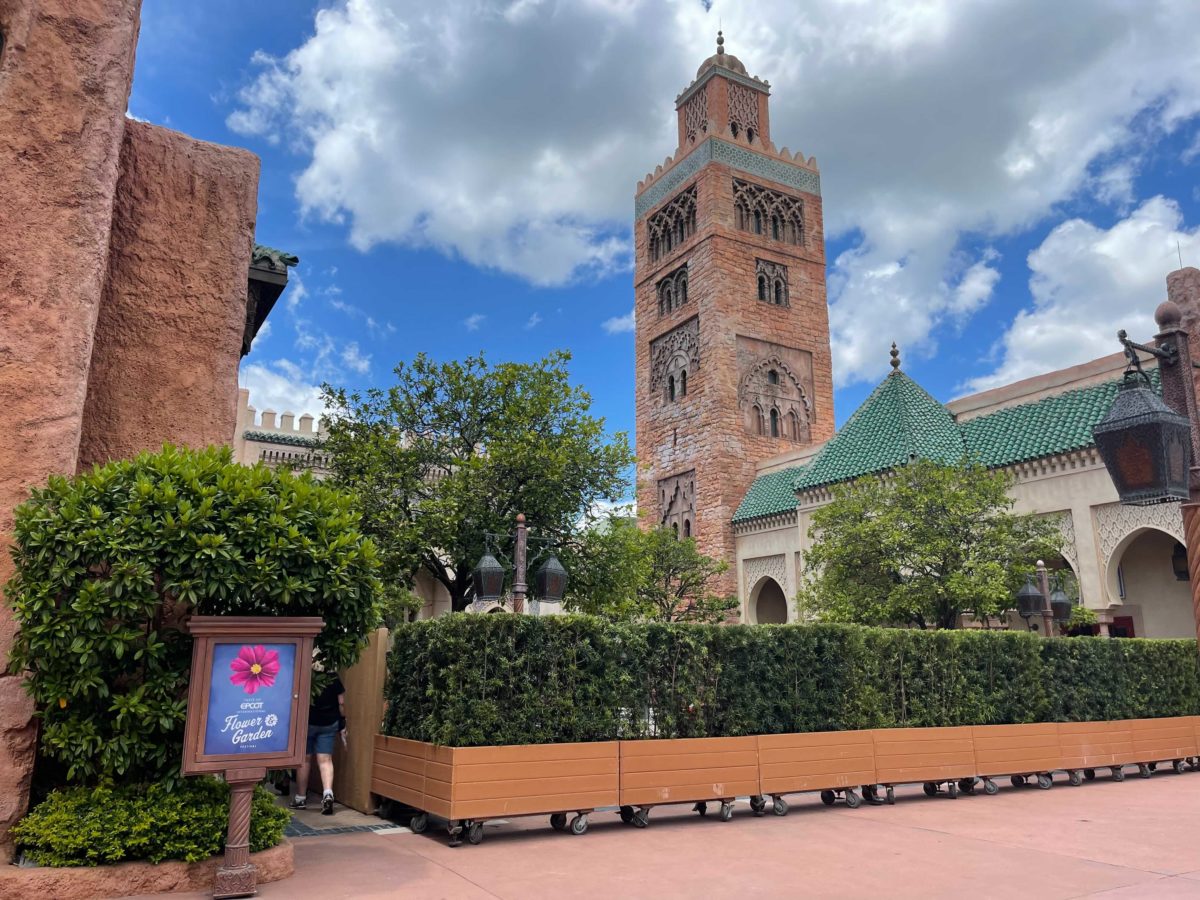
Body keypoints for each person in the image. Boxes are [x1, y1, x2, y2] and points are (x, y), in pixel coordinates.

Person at [290, 673, 346, 815]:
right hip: (329, 723)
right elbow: (341, 702)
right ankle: (328, 794)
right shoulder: (333, 677)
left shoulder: (306, 675)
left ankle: (300, 798)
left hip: (307, 722)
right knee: (325, 760)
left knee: (305, 760)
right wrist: (343, 723)